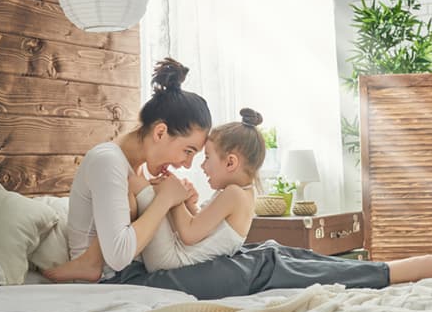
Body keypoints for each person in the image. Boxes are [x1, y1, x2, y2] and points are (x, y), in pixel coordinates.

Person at [44, 108, 266, 280]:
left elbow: (189, 234)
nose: (199, 166)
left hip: (172, 261)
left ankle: (92, 259)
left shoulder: (234, 195)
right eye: (189, 152)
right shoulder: (241, 194)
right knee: (142, 191)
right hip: (178, 256)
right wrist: (189, 204)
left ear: (230, 162)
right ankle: (94, 256)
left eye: (206, 157)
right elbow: (204, 232)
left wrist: (174, 199)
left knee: (136, 184)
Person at [43, 57, 212, 282]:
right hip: (109, 279)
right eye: (188, 151)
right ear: (160, 133)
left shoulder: (135, 169)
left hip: (134, 274)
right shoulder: (108, 161)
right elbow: (119, 256)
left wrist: (184, 205)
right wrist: (165, 201)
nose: (187, 164)